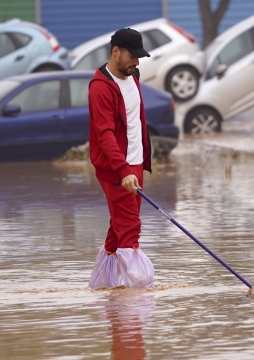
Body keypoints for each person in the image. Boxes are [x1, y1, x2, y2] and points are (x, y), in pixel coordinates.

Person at [87, 28, 154, 289]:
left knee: (118, 229)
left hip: (134, 164)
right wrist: (123, 170)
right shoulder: (100, 88)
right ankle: (136, 306)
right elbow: (104, 135)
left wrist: (140, 162)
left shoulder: (133, 75)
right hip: (117, 170)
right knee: (129, 229)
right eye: (132, 56)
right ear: (116, 52)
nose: (136, 62)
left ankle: (107, 289)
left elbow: (135, 121)